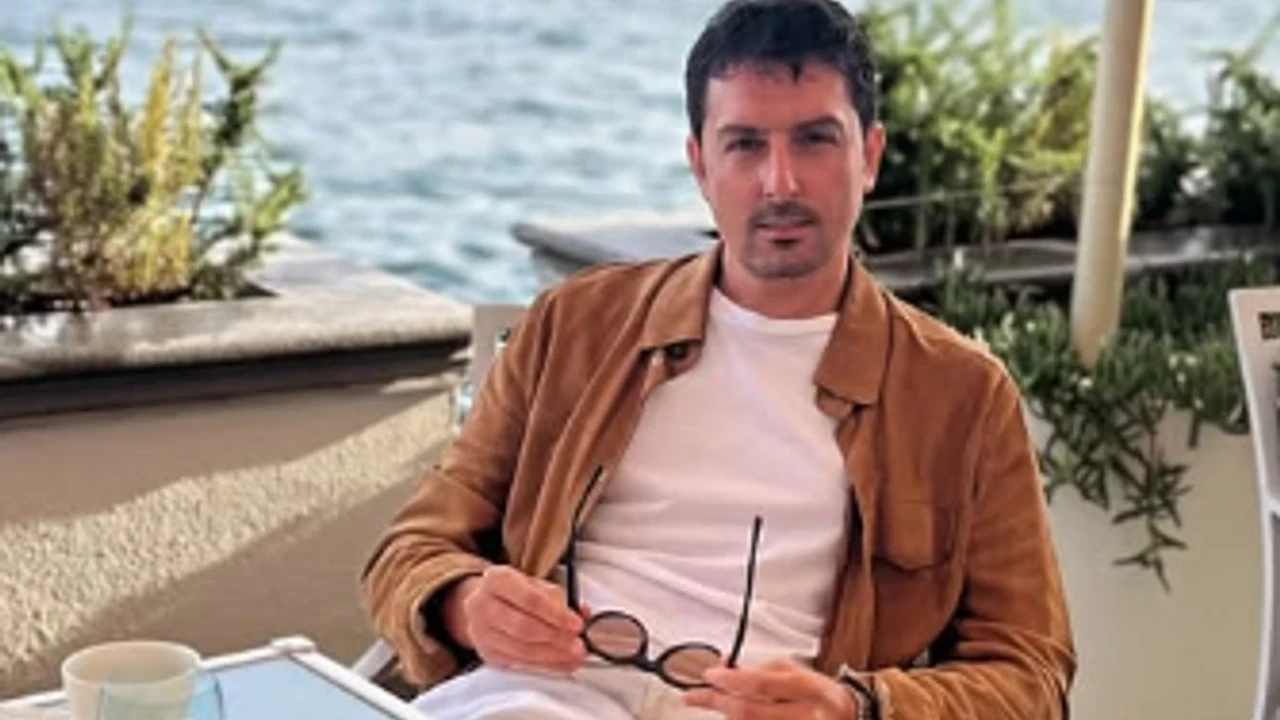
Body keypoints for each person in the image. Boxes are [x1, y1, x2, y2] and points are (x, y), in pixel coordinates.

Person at [361, 0, 1076, 718]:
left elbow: (1031, 673)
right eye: (745, 145)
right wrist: (463, 604)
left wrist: (857, 706)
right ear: (700, 164)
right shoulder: (576, 326)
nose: (780, 183)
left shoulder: (960, 395)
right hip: (532, 699)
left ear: (870, 157)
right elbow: (414, 546)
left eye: (815, 140)